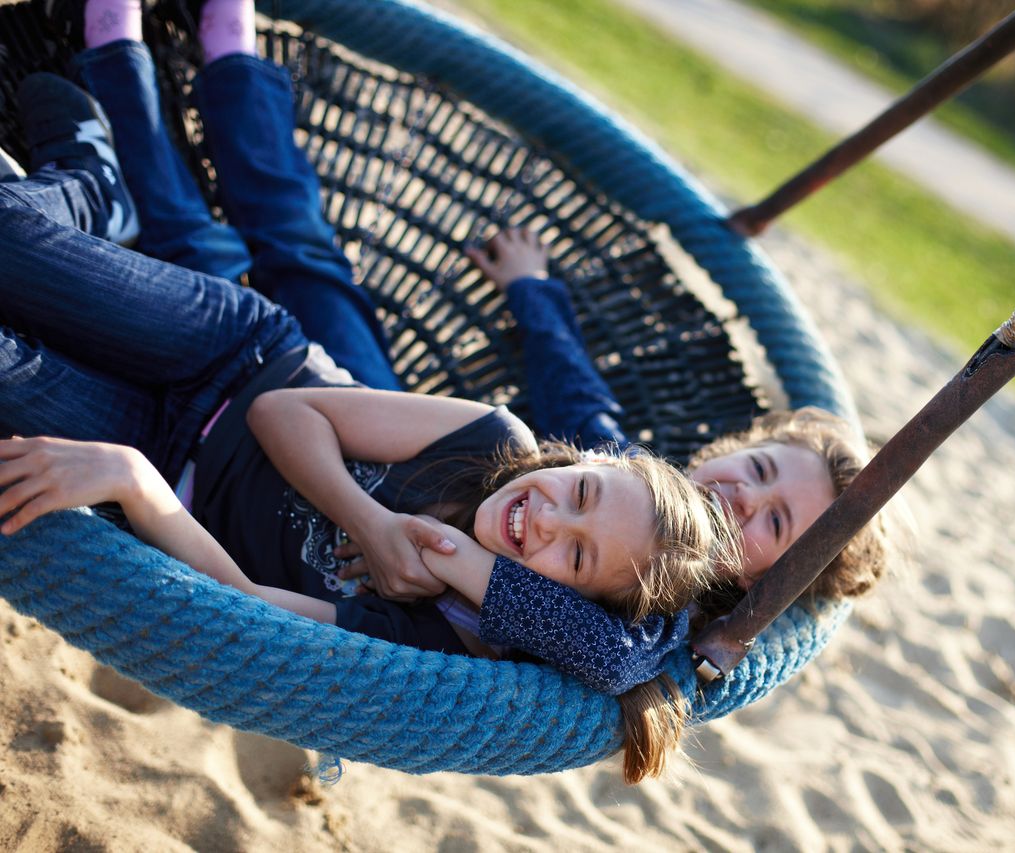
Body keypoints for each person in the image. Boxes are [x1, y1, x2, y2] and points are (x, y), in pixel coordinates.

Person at [0, 51, 737, 780]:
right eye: (581, 493)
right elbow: (284, 412)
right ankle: (93, 184)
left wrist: (135, 482)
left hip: (163, 464)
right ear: (585, 462)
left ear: (562, 606)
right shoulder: (493, 440)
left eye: (574, 557)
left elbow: (245, 604)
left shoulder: (438, 640)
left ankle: (90, 198)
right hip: (234, 354)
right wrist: (370, 522)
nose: (548, 519)